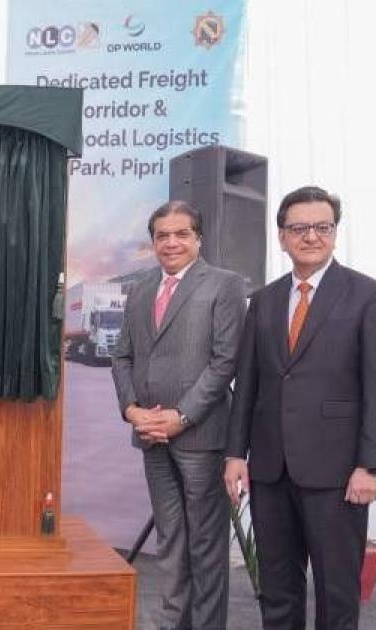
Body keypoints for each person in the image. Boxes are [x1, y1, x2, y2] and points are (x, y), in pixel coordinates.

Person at [224, 185, 376, 630]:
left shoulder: (369, 296)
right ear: (282, 237)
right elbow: (248, 383)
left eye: (323, 226)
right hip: (271, 470)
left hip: (338, 474)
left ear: (335, 233)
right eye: (299, 228)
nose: (311, 236)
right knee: (277, 591)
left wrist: (371, 466)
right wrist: (235, 453)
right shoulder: (264, 300)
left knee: (336, 593)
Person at [111, 200, 246, 630]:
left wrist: (181, 416)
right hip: (151, 436)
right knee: (170, 541)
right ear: (153, 242)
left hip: (201, 437)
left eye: (181, 234)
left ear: (198, 239)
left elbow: (225, 362)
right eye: (162, 235)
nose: (171, 243)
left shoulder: (224, 285)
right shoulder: (141, 288)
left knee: (205, 546)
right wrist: (132, 410)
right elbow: (122, 356)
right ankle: (174, 624)